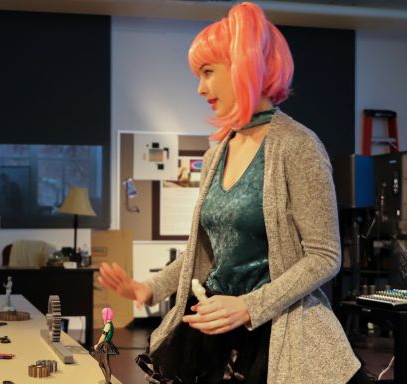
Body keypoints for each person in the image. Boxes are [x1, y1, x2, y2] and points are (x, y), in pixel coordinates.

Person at [98, 3, 364, 383]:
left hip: (278, 334)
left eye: (207, 72)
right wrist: (148, 288)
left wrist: (249, 307)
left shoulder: (298, 145)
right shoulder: (216, 153)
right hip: (213, 332)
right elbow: (206, 251)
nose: (200, 87)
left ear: (244, 66)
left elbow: (324, 257)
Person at [91, 307, 119, 384]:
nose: (102, 315)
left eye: (103, 314)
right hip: (105, 345)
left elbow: (103, 337)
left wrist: (97, 345)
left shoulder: (108, 325)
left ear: (106, 315)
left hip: (105, 345)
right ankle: (107, 380)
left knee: (106, 364)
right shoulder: (109, 324)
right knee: (101, 364)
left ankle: (108, 381)